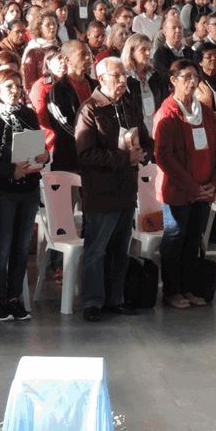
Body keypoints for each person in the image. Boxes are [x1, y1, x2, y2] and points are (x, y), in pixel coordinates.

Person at [74, 57, 153, 322]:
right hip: (101, 191)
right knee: (97, 249)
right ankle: (93, 301)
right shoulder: (90, 109)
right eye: (116, 76)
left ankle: (115, 298)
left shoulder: (129, 105)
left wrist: (144, 152)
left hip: (126, 189)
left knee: (120, 249)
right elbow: (85, 154)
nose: (122, 80)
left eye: (124, 75)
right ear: (101, 78)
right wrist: (124, 158)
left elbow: (145, 138)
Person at [0, 68, 49, 322]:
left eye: (17, 86)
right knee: (2, 248)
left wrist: (44, 155)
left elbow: (40, 146)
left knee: (21, 248)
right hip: (1, 191)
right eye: (8, 87)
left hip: (28, 189)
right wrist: (9, 170)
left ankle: (14, 298)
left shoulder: (28, 114)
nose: (15, 91)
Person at [153, 58, 216, 309]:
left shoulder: (204, 111)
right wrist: (193, 187)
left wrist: (214, 183)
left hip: (205, 190)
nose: (193, 82)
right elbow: (164, 157)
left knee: (194, 240)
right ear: (173, 81)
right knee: (175, 240)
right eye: (186, 77)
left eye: (196, 77)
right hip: (178, 191)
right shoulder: (167, 113)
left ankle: (189, 287)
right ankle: (172, 290)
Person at [46, 40, 97, 171]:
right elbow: (63, 125)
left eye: (89, 54)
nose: (88, 58)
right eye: (83, 54)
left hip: (96, 158)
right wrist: (92, 138)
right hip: (70, 160)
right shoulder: (58, 90)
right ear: (68, 60)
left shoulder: (96, 86)